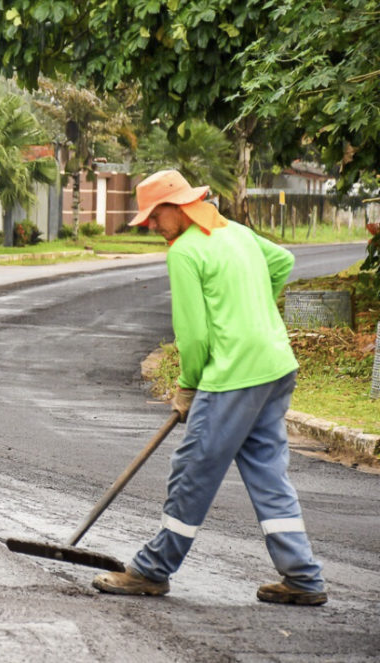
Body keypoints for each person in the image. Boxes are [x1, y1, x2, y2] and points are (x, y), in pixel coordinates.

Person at [92, 169, 327, 606]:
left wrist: (188, 385)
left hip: (234, 375)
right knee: (266, 470)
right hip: (275, 364)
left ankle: (151, 570)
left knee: (193, 471)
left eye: (154, 217)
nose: (150, 226)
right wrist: (253, 311)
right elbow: (282, 263)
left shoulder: (184, 251)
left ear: (178, 207)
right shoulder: (236, 231)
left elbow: (195, 336)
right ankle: (302, 577)